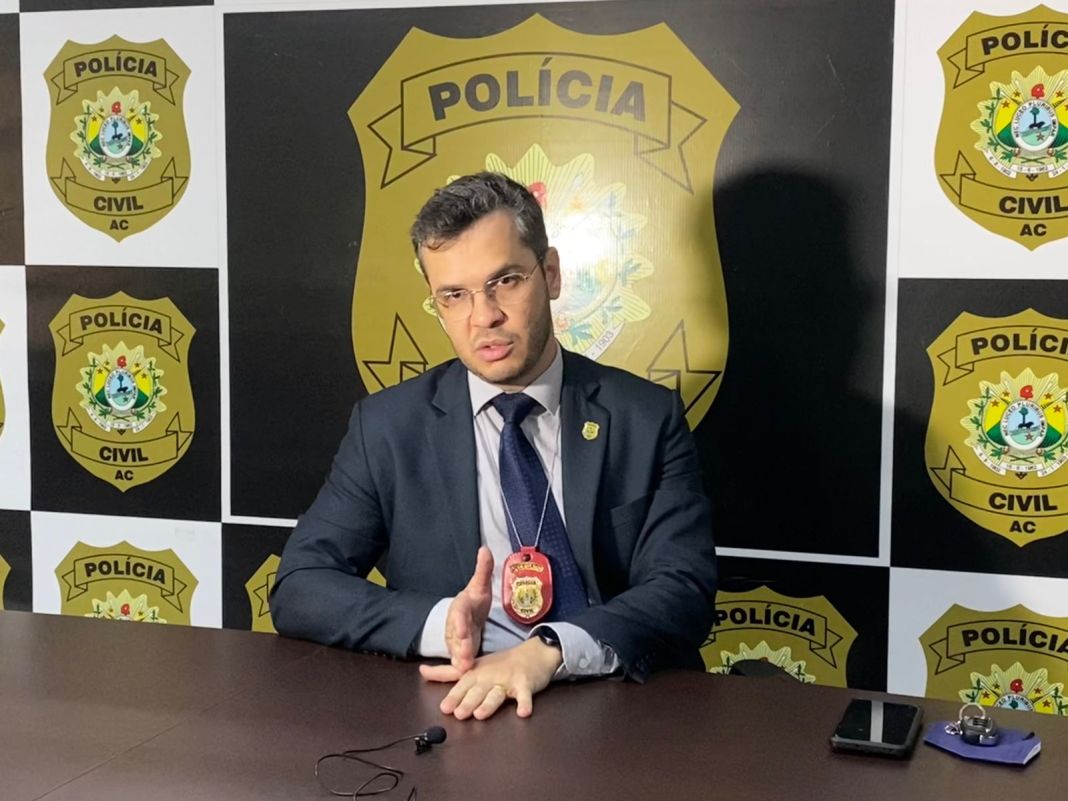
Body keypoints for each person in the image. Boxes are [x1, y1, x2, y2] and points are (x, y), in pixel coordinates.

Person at [271, 172, 717, 722]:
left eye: (505, 281)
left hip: (618, 707)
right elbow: (301, 586)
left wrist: (550, 651)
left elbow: (683, 588)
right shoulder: (387, 426)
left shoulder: (646, 418)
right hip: (462, 707)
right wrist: (443, 623)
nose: (484, 317)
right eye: (454, 295)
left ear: (550, 274)